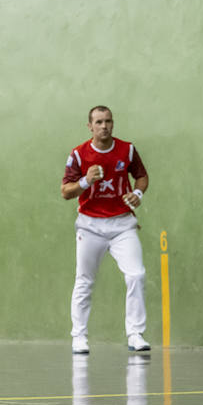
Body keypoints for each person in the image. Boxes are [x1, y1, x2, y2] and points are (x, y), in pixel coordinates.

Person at [62, 105, 152, 355]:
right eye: (99, 122)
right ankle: (79, 336)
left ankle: (135, 333)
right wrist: (85, 181)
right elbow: (65, 192)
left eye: (108, 121)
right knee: (85, 281)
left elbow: (142, 177)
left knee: (136, 275)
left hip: (122, 224)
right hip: (90, 226)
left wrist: (137, 193)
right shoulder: (79, 155)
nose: (104, 126)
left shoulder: (127, 150)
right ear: (89, 126)